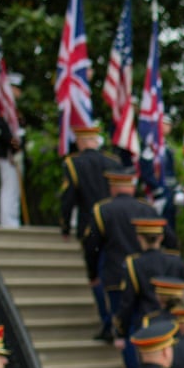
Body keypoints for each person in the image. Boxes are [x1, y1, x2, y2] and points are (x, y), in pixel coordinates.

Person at [84, 170, 167, 342]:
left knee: (123, 322)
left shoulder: (103, 209)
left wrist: (92, 274)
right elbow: (169, 239)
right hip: (147, 275)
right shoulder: (147, 208)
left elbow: (92, 245)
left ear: (113, 187)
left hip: (116, 274)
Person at [114, 217, 184, 368]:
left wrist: (120, 331)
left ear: (139, 238)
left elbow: (127, 302)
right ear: (161, 237)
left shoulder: (135, 264)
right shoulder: (176, 261)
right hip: (178, 322)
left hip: (148, 325)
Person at [60, 122, 122, 329]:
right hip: (116, 226)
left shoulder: (73, 163)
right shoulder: (113, 162)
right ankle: (117, 319)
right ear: (95, 140)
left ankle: (108, 322)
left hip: (89, 227)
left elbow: (68, 197)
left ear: (80, 141)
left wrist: (65, 226)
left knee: (96, 277)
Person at [139, 113, 181, 238]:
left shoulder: (167, 148)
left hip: (169, 192)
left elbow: (171, 172)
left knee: (169, 226)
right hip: (156, 194)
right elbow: (146, 171)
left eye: (169, 125)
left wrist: (177, 189)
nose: (167, 127)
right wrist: (157, 189)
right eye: (165, 124)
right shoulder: (151, 147)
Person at [0, 72, 24, 227]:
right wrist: (15, 149)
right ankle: (7, 221)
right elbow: (6, 133)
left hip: (14, 154)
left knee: (14, 189)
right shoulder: (5, 109)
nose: (18, 92)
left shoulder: (14, 110)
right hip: (7, 155)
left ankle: (13, 220)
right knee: (9, 188)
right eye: (15, 88)